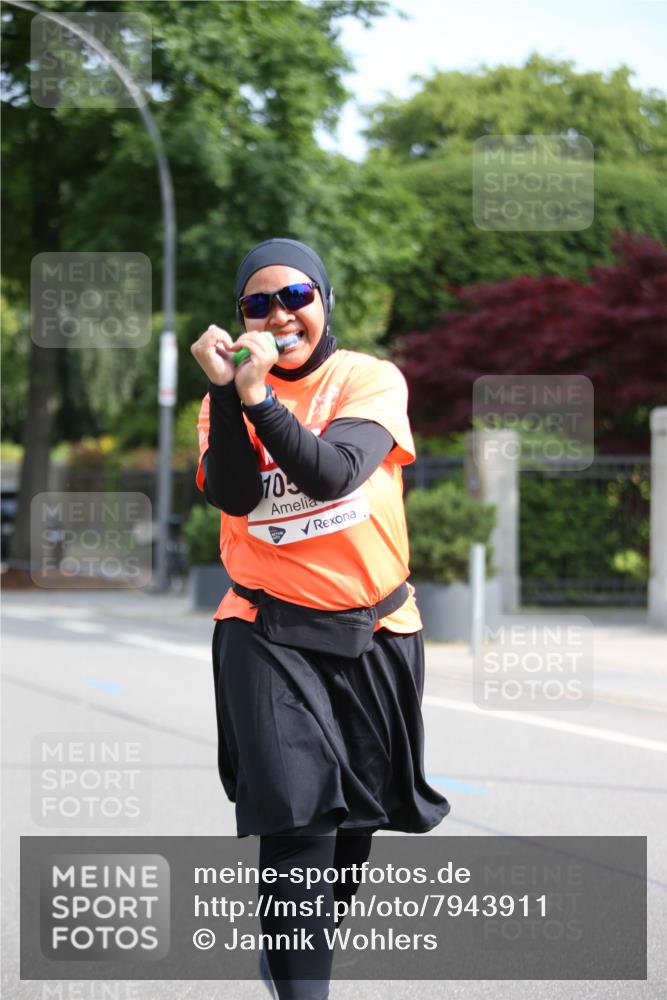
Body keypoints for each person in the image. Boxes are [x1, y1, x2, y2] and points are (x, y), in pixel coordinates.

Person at [190, 238, 451, 1000]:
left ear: (324, 302)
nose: (279, 315)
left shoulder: (368, 380)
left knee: (350, 835)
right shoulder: (221, 401)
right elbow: (236, 494)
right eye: (257, 304)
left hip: (375, 631)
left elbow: (332, 474)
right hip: (265, 628)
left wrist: (259, 400)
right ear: (241, 317)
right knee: (298, 823)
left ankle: (291, 954)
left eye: (296, 296)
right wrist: (229, 394)